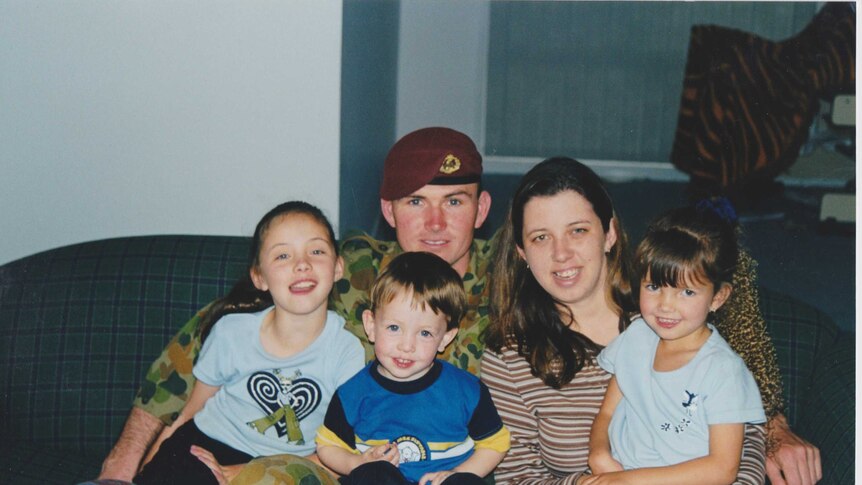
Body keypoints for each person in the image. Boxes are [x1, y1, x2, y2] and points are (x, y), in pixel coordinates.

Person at [98, 127, 495, 482]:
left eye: (455, 202)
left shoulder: (509, 285)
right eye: (415, 202)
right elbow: (209, 338)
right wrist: (119, 471)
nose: (436, 223)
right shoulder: (352, 270)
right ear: (389, 210)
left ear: (482, 209)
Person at [480, 157, 821, 485]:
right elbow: (517, 478)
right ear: (522, 252)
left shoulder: (672, 315)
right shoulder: (509, 358)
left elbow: (744, 440)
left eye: (578, 230)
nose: (561, 253)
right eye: (541, 237)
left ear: (610, 233)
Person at [132, 201, 365, 484]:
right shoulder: (232, 332)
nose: (302, 264)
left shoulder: (346, 352)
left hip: (287, 468)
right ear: (259, 277)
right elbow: (188, 414)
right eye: (282, 256)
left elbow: (342, 452)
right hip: (205, 447)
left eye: (316, 251)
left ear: (338, 267)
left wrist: (246, 472)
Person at [586, 205, 766, 484]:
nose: (665, 306)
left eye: (687, 292)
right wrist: (598, 453)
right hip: (618, 474)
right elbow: (607, 412)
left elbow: (723, 468)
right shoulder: (635, 338)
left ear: (718, 298)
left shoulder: (723, 370)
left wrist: (629, 480)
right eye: (654, 287)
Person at [316, 252, 510, 485]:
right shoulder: (352, 393)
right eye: (394, 328)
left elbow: (496, 444)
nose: (407, 346)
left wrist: (456, 473)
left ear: (445, 338)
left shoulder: (466, 390)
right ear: (371, 325)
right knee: (372, 475)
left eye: (425, 333)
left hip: (443, 481)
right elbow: (327, 446)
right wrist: (356, 463)